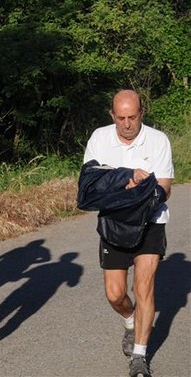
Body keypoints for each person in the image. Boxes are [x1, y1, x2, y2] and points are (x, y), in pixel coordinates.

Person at [83, 90, 174, 377]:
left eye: (132, 117)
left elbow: (164, 189)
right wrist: (126, 178)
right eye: (121, 118)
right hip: (114, 223)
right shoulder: (99, 138)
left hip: (151, 222)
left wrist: (136, 191)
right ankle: (131, 319)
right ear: (112, 115)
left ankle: (139, 357)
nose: (126, 124)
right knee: (115, 294)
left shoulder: (158, 140)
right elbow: (89, 186)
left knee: (143, 287)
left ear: (141, 113)